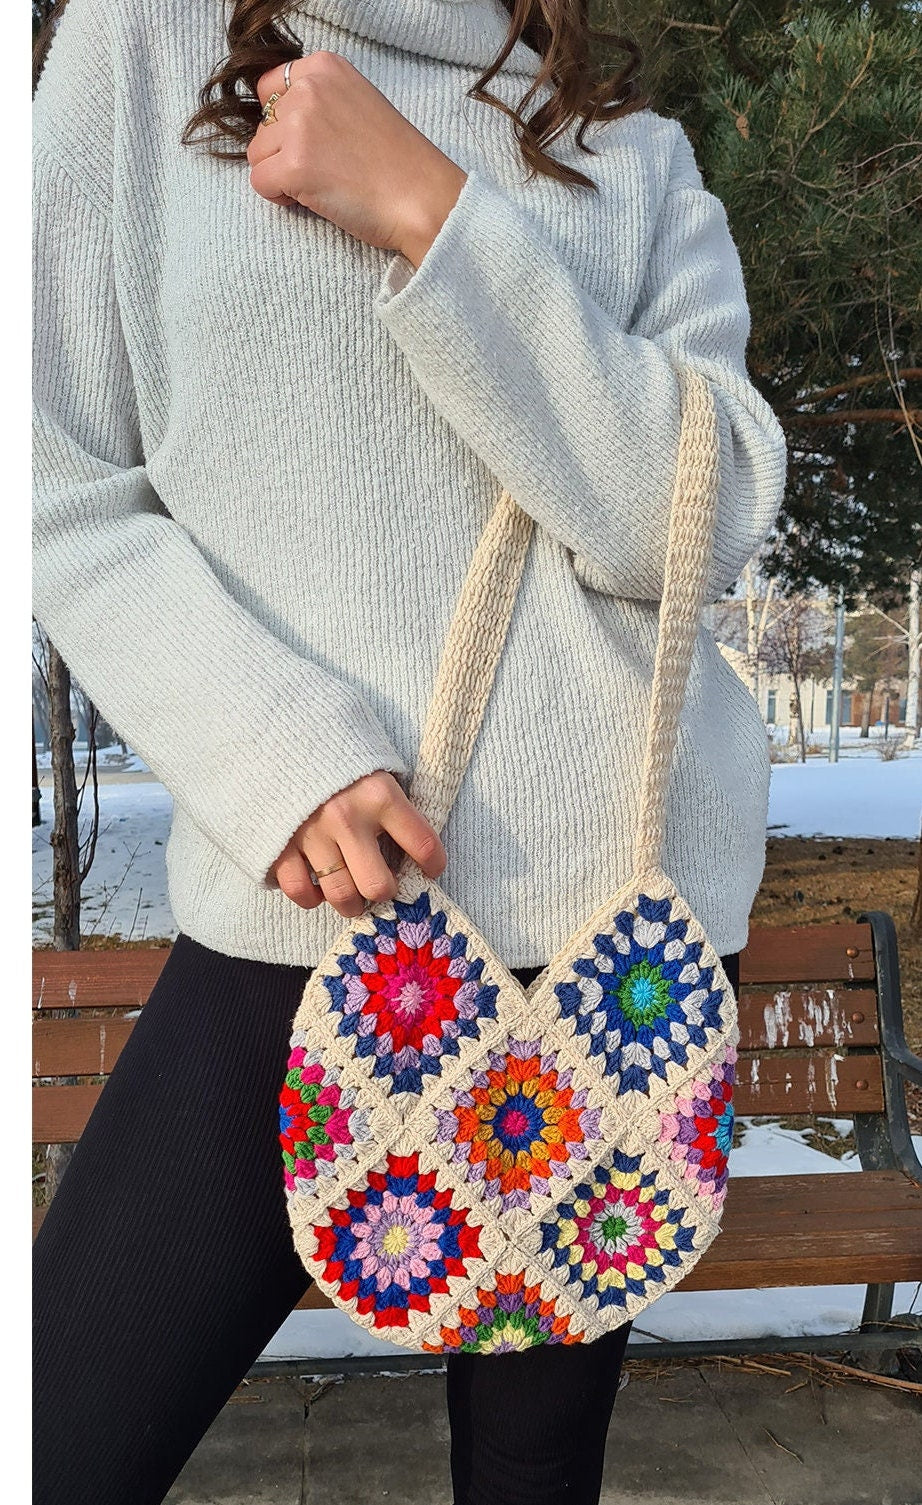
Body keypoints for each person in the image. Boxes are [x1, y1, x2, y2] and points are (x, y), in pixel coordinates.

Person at [31, 1, 787, 1502]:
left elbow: (696, 520)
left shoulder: (629, 146)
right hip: (306, 917)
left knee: (529, 1480)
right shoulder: (144, 39)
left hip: (607, 961)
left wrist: (433, 216)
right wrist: (269, 747)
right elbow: (47, 471)